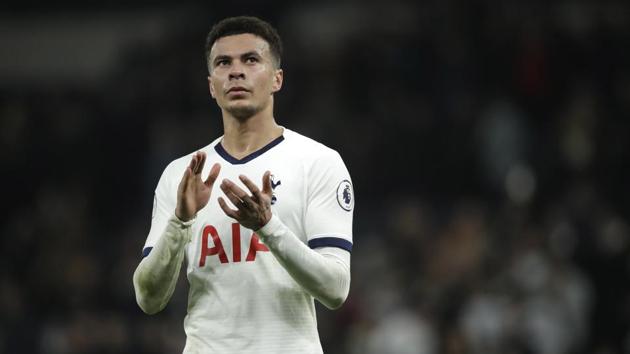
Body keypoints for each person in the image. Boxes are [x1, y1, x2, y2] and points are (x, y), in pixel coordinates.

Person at [133, 16, 354, 354]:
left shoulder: (318, 162)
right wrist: (179, 223)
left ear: (277, 79)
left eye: (251, 60)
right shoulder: (182, 175)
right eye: (224, 63)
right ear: (211, 85)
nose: (236, 71)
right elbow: (148, 299)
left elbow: (336, 289)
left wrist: (268, 226)